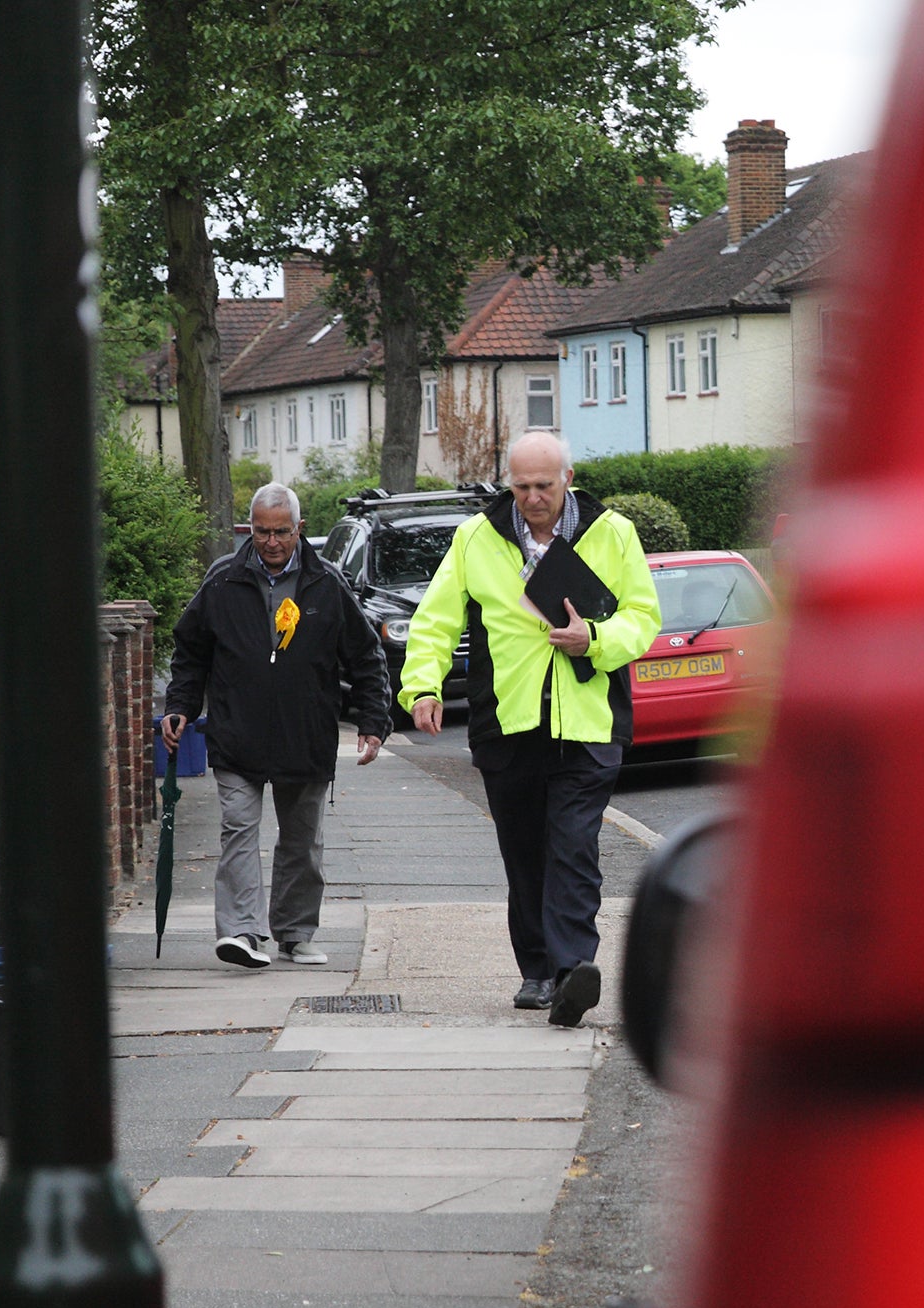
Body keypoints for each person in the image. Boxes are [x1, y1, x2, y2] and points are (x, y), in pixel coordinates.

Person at [400, 433, 660, 1026]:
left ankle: (573, 972)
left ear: (569, 477)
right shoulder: (476, 538)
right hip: (506, 721)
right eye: (521, 487)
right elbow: (435, 620)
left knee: (573, 847)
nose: (533, 498)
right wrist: (422, 687)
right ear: (508, 483)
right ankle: (537, 972)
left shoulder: (611, 532)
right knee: (525, 852)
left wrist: (593, 639)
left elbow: (643, 618)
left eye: (544, 485)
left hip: (589, 721)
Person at [161, 483, 390, 968]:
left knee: (301, 840)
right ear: (250, 529)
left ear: (299, 530)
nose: (271, 542)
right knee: (239, 829)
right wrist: (180, 705)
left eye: (281, 532)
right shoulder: (223, 580)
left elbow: (365, 655)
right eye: (262, 532)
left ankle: (293, 931)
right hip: (235, 731)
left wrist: (373, 720)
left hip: (304, 734)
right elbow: (191, 651)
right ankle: (242, 932)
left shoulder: (326, 583)